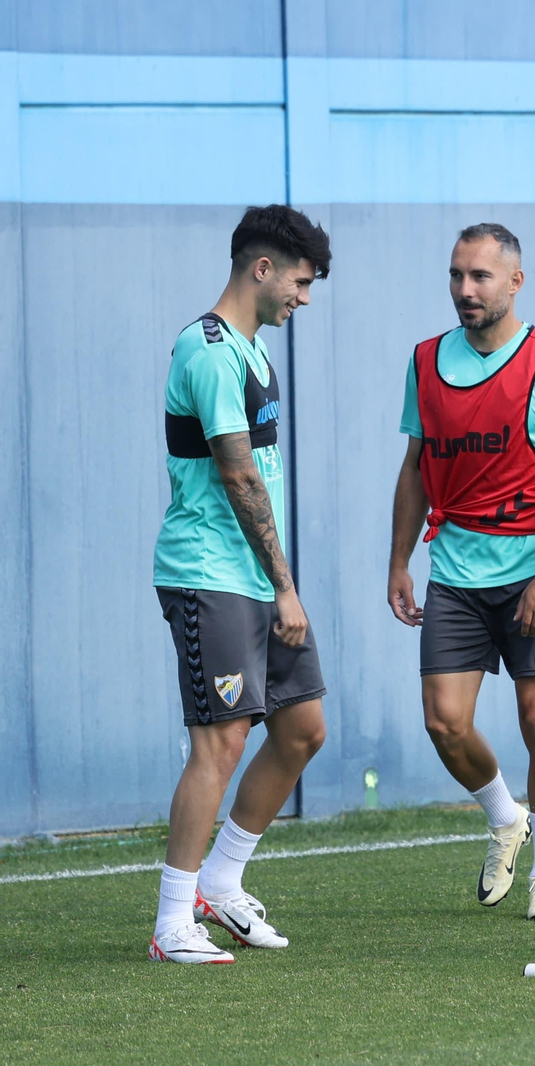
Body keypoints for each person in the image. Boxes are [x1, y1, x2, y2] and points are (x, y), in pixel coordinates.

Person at [388, 223, 535, 920]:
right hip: (455, 572)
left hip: (532, 575)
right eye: (456, 275)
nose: (465, 290)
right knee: (444, 723)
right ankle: (506, 817)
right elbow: (415, 470)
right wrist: (399, 560)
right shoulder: (425, 362)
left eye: (480, 276)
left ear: (515, 282)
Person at [150, 205, 332, 963]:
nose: (304, 298)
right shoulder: (210, 351)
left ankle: (222, 882)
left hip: (258, 577)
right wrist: (284, 584)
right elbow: (236, 472)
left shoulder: (256, 353)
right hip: (212, 575)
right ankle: (170, 924)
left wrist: (278, 583)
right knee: (220, 743)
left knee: (302, 729)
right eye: (300, 281)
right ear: (262, 269)